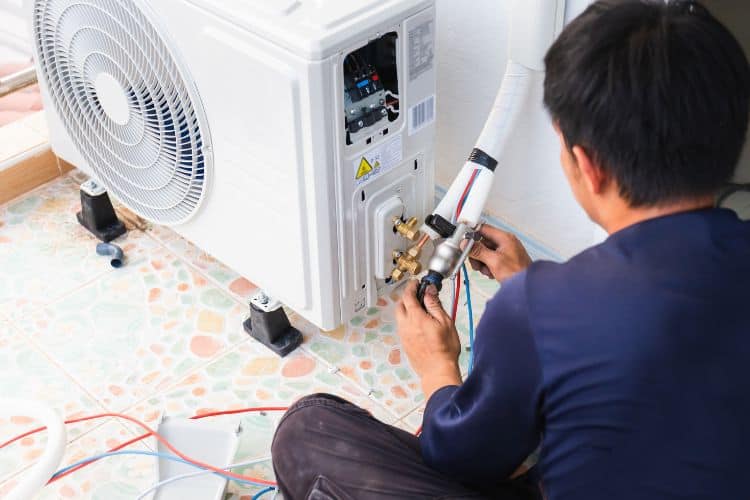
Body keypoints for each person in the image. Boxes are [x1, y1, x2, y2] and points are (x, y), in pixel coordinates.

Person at [271, 1, 750, 498]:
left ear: (587, 166)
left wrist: (436, 365)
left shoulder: (540, 310)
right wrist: (534, 291)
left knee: (309, 429)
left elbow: (463, 461)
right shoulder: (550, 305)